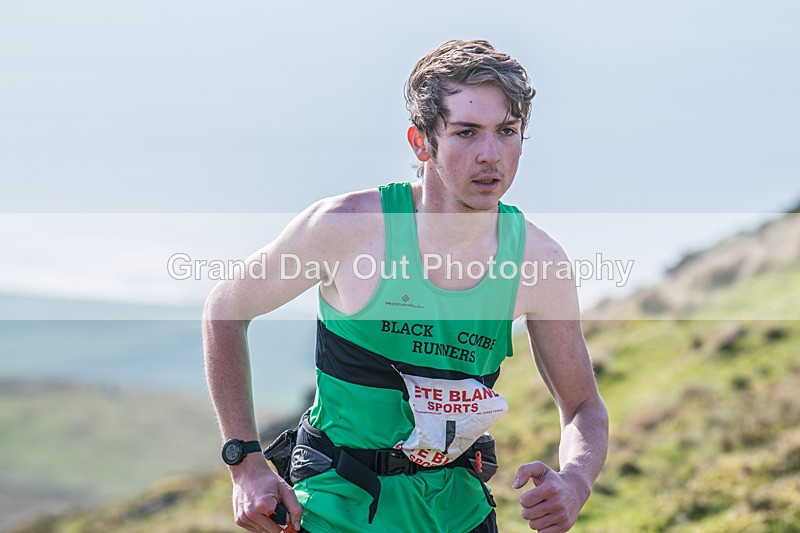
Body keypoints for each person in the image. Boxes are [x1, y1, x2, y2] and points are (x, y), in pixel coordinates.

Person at [203, 39, 608, 533]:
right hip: (334, 508)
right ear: (421, 142)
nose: (490, 154)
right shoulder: (348, 227)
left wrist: (576, 480)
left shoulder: (538, 262)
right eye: (466, 132)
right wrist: (245, 463)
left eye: (507, 131)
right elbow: (225, 309)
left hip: (459, 513)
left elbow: (584, 407)